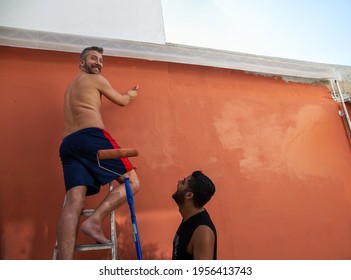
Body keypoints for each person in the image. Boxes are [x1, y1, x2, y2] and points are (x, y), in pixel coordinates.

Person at [56, 46, 141, 259]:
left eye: (101, 60)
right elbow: (121, 101)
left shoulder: (71, 88)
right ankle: (94, 220)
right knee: (134, 182)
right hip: (91, 137)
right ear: (81, 63)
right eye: (94, 58)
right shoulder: (97, 80)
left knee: (75, 201)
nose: (99, 63)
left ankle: (63, 265)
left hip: (68, 143)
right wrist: (131, 94)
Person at [172, 171, 217, 260]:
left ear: (189, 195)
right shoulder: (188, 218)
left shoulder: (202, 231)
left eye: (183, 182)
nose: (178, 182)